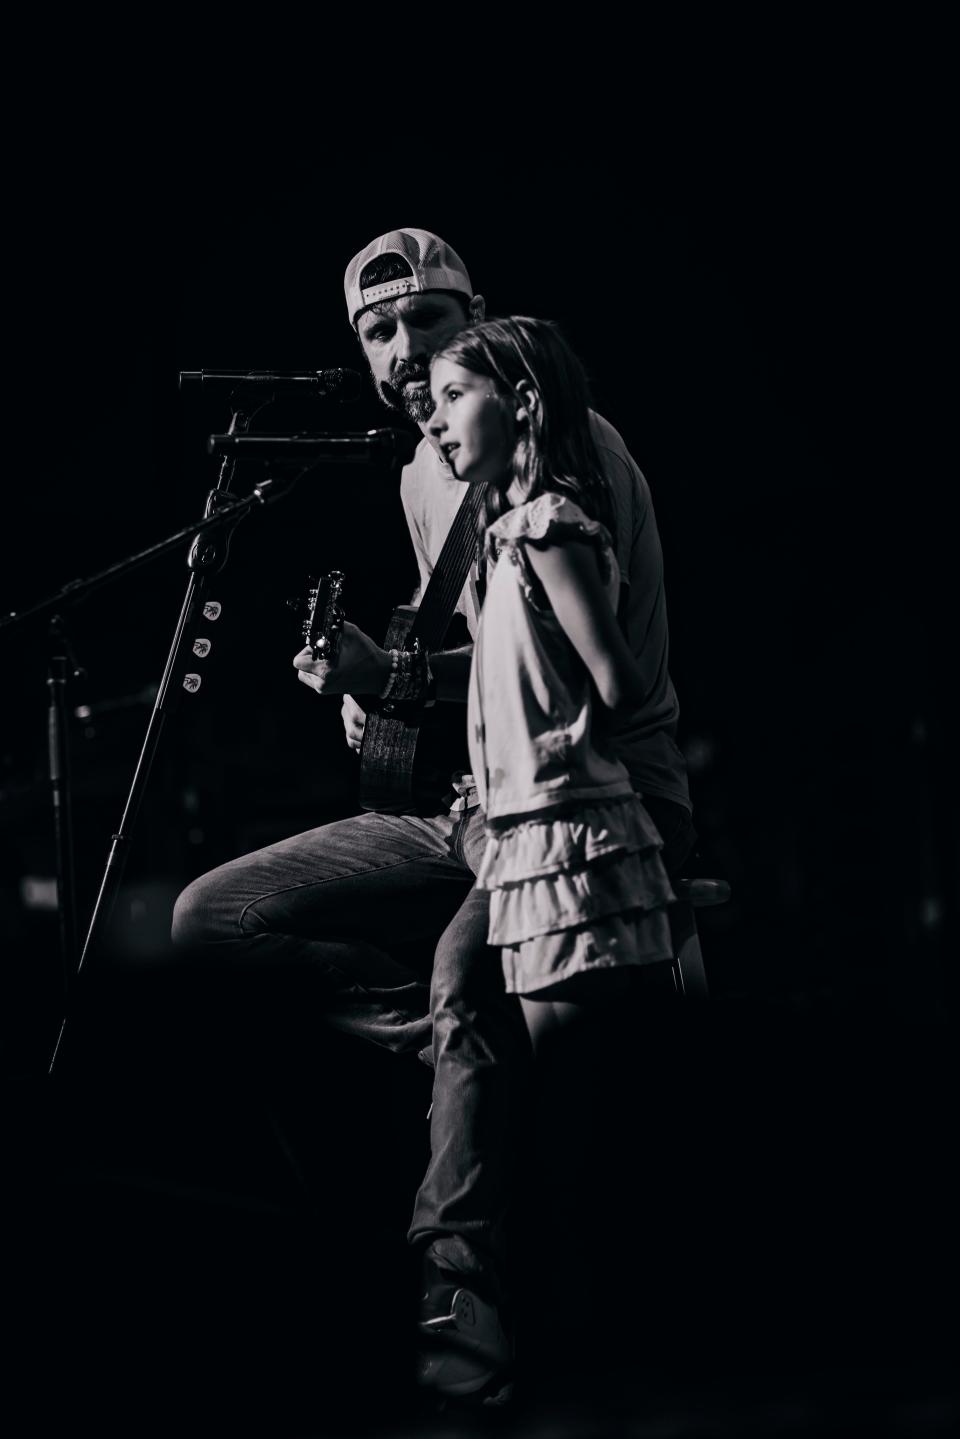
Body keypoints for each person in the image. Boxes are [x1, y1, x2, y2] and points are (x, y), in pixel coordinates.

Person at [170, 229, 694, 1404]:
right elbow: (479, 656)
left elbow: (575, 672)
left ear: (487, 326)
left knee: (469, 979)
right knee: (216, 919)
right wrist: (376, 684)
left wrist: (401, 678)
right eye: (378, 333)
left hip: (588, 800)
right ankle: (472, 1061)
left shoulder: (568, 450)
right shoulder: (423, 471)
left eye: (430, 324)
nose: (407, 353)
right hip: (472, 802)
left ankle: (460, 1279)